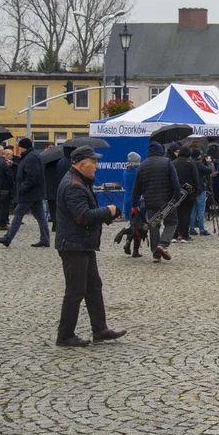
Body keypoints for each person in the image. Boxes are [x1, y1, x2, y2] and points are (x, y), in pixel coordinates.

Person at [54, 145, 126, 348]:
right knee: (75, 291)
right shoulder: (73, 185)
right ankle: (65, 335)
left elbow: (86, 214)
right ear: (81, 163)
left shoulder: (80, 182)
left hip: (83, 244)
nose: (96, 165)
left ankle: (100, 329)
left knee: (94, 287)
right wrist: (108, 211)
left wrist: (106, 216)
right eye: (93, 162)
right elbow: (83, 217)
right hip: (74, 245)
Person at [0, 138, 51, 249]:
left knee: (18, 213)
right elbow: (25, 169)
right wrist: (15, 165)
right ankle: (45, 239)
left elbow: (33, 176)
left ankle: (8, 238)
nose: (18, 149)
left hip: (30, 193)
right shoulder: (31, 156)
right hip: (35, 192)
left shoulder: (31, 157)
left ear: (24, 147)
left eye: (19, 147)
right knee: (40, 216)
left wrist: (22, 188)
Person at [131, 141, 179, 263]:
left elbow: (137, 187)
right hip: (167, 201)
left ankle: (155, 254)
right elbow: (175, 181)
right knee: (172, 222)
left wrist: (134, 203)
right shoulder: (167, 162)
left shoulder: (142, 165)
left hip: (150, 201)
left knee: (153, 225)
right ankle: (162, 244)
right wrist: (177, 196)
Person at [121, 152, 143, 257]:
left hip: (127, 198)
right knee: (139, 225)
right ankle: (135, 250)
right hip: (137, 199)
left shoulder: (126, 171)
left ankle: (127, 243)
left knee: (132, 223)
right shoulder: (138, 172)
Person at [172, 147, 197, 241]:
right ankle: (185, 235)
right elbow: (195, 178)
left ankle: (175, 233)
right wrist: (196, 189)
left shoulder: (174, 162)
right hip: (189, 191)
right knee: (187, 213)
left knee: (177, 213)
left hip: (177, 191)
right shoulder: (190, 163)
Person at [189, 148, 214, 237]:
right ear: (199, 156)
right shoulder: (198, 164)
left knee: (193, 210)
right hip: (200, 189)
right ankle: (201, 229)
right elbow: (209, 170)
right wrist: (209, 162)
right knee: (201, 209)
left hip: (192, 189)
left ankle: (191, 228)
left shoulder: (190, 163)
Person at [0, 149, 15, 230]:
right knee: (4, 207)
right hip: (5, 188)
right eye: (11, 155)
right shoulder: (5, 164)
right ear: (7, 155)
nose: (12, 157)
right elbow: (10, 176)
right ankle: (2, 224)